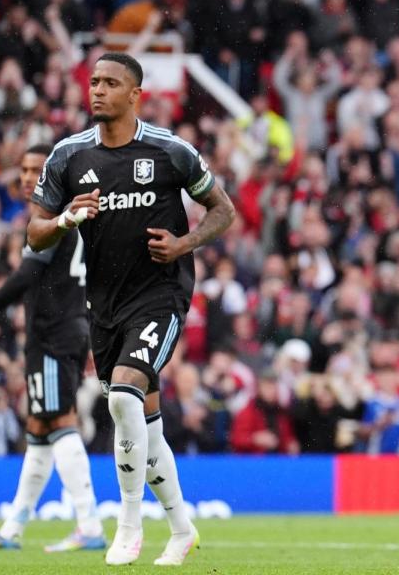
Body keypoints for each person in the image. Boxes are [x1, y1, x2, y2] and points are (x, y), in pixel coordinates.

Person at [26, 52, 236, 566]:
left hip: (161, 295)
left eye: (110, 83)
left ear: (134, 93)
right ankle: (183, 529)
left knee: (122, 397)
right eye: (93, 81)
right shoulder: (68, 156)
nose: (97, 90)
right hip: (105, 305)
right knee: (146, 424)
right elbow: (34, 232)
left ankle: (128, 524)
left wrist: (184, 245)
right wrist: (66, 219)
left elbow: (223, 210)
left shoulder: (169, 151)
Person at [0, 145, 106, 553]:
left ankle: (90, 524)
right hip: (67, 327)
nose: (28, 178)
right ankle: (13, 527)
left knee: (60, 421)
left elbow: (25, 276)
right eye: (23, 171)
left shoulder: (50, 218)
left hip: (52, 333)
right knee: (40, 429)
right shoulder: (71, 215)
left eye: (35, 170)